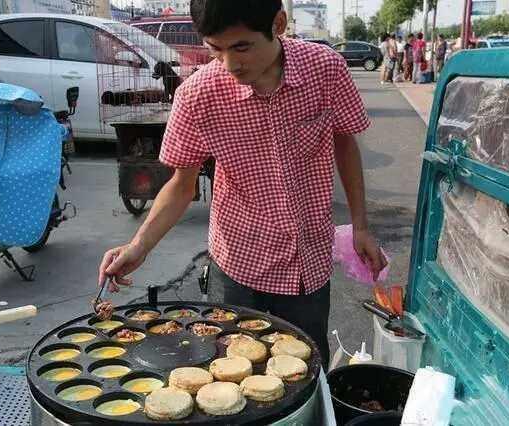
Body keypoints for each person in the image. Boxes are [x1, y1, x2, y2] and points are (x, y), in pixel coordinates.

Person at [98, 0, 387, 368]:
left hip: (306, 260)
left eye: (242, 47)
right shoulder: (198, 95)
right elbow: (181, 185)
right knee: (229, 370)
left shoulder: (325, 69)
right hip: (237, 265)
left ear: (278, 24)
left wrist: (360, 226)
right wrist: (139, 246)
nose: (230, 64)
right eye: (215, 49)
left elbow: (344, 141)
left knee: (306, 369)